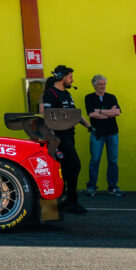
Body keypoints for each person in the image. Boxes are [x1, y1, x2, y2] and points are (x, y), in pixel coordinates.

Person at [40, 65, 94, 214]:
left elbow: (76, 114)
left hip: (70, 134)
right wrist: (52, 139)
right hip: (59, 137)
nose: (72, 80)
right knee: (75, 164)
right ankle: (70, 199)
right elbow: (46, 117)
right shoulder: (50, 94)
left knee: (67, 167)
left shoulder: (67, 94)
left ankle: (65, 201)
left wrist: (90, 127)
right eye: (70, 77)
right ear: (61, 77)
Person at [85, 74, 123, 197]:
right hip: (97, 133)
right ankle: (91, 187)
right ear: (94, 85)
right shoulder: (89, 98)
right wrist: (109, 113)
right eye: (100, 84)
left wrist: (100, 111)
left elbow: (117, 112)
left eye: (104, 84)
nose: (103, 86)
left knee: (113, 160)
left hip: (112, 133)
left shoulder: (111, 97)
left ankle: (113, 187)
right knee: (95, 160)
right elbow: (91, 114)